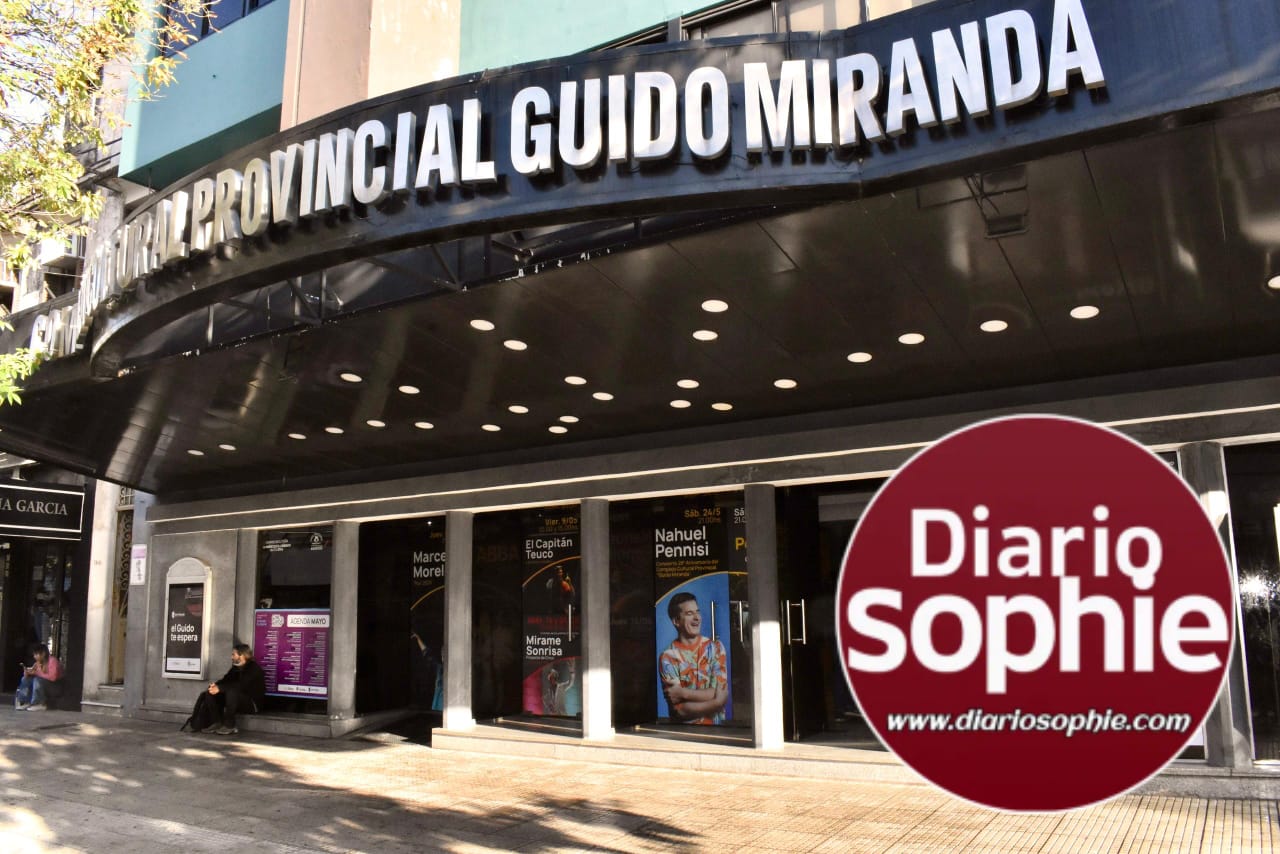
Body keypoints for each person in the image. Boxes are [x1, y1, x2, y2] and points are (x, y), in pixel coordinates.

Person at [659, 592, 728, 724]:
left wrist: (683, 693)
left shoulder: (716, 649)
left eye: (697, 612)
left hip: (717, 731)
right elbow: (680, 711)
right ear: (676, 621)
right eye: (689, 613)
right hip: (684, 732)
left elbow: (720, 692)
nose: (697, 618)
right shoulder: (668, 657)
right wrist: (716, 703)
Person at [199, 643, 266, 735]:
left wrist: (220, 688)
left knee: (232, 691)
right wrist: (215, 686)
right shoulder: (235, 668)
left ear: (242, 655)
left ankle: (230, 725)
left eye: (233, 654)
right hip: (235, 700)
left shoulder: (254, 668)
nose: (231, 657)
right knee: (210, 692)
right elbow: (225, 680)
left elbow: (241, 685)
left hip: (252, 704)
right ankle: (217, 722)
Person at [15, 644, 62, 711]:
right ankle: (25, 701)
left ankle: (39, 703)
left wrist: (37, 673)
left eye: (36, 654)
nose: (34, 656)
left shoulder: (52, 661)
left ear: (43, 654)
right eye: (34, 655)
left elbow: (53, 677)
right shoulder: (37, 663)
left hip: (55, 686)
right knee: (25, 680)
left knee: (37, 680)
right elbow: (35, 674)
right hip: (43, 684)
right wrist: (27, 673)